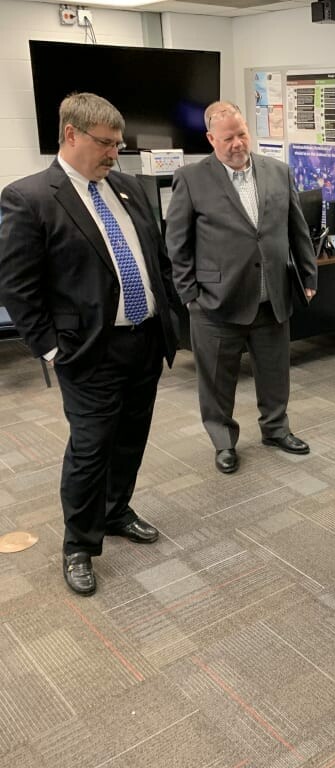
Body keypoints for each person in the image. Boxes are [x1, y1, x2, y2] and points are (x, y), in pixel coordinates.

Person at [0, 93, 180, 596]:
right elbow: (17, 286)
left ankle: (116, 509)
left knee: (131, 437)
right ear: (71, 134)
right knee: (90, 448)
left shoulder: (127, 187)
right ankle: (79, 544)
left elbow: (155, 257)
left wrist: (169, 314)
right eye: (104, 143)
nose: (113, 154)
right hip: (87, 352)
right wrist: (52, 350)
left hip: (144, 340)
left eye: (118, 145)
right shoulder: (30, 196)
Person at [165, 101, 317, 474]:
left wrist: (308, 276)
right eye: (228, 137)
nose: (237, 143)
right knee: (217, 380)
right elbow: (176, 243)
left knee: (275, 372)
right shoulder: (190, 178)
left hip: (272, 295)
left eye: (242, 134)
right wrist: (190, 296)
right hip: (216, 302)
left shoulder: (277, 172)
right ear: (211, 139)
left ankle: (276, 429)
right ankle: (223, 442)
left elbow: (297, 229)